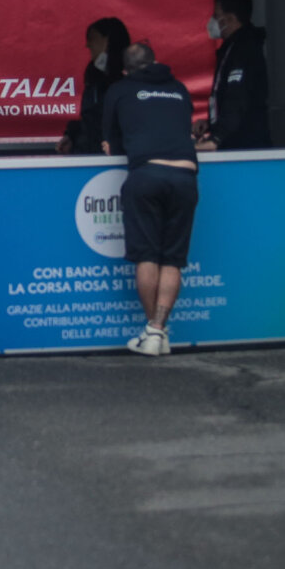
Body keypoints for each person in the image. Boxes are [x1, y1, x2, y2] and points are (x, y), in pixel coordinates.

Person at [103, 41, 201, 357]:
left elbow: (110, 144)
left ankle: (153, 331)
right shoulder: (180, 89)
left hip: (146, 175)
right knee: (172, 259)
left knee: (147, 256)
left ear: (125, 70)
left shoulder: (119, 89)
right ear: (156, 61)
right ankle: (157, 330)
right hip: (185, 177)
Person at [199, 0, 271, 152]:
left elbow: (237, 97)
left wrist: (216, 138)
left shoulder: (245, 49)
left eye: (216, 16)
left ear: (230, 19)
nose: (212, 21)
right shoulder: (231, 48)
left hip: (245, 147)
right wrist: (211, 122)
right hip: (234, 142)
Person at [58, 18, 131, 155]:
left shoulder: (130, 77)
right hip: (89, 152)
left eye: (92, 38)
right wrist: (72, 135)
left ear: (107, 40)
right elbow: (90, 117)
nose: (88, 45)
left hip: (117, 154)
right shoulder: (93, 74)